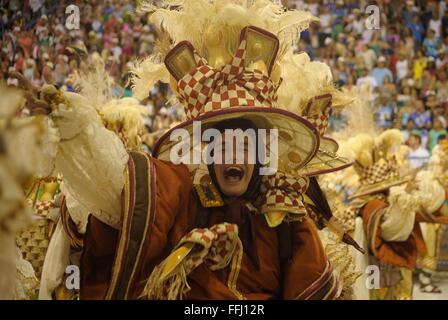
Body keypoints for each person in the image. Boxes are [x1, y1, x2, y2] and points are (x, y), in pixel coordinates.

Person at [17, 1, 358, 300]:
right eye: (222, 146)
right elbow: (113, 188)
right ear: (207, 153)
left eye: (244, 146)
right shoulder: (180, 194)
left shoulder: (284, 221)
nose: (233, 156)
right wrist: (76, 125)